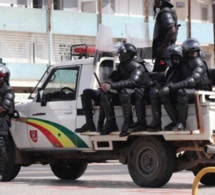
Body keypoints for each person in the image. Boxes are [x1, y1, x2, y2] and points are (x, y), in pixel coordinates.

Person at [158, 38, 212, 131]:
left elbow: (192, 81)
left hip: (200, 90)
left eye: (195, 52)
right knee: (165, 95)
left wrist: (172, 87)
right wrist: (168, 86)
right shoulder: (183, 64)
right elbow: (176, 77)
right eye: (191, 53)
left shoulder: (199, 64)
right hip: (189, 89)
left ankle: (181, 124)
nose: (193, 55)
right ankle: (176, 121)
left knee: (181, 92)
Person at [99, 43, 152, 137]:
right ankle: (110, 121)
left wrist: (112, 86)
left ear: (127, 55)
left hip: (141, 92)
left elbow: (133, 82)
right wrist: (108, 82)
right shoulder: (123, 65)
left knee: (124, 92)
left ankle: (129, 122)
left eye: (121, 54)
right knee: (105, 92)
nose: (119, 56)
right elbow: (116, 76)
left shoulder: (137, 65)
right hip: (131, 92)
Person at [147, 44, 182, 131]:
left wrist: (168, 87)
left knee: (164, 95)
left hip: (178, 90)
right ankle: (156, 121)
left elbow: (178, 80)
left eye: (176, 58)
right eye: (173, 58)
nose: (174, 61)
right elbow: (166, 80)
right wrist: (156, 84)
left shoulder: (182, 68)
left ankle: (177, 121)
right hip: (171, 89)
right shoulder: (170, 69)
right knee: (153, 91)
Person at [152, 0, 179, 72]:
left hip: (165, 52)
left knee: (163, 74)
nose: (155, 1)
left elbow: (172, 30)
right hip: (164, 52)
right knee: (157, 75)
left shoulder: (165, 13)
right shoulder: (165, 12)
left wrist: (162, 47)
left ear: (162, 2)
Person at [0, 64, 15, 180]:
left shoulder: (8, 91)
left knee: (1, 148)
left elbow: (5, 107)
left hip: (2, 123)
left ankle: (2, 173)